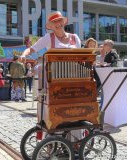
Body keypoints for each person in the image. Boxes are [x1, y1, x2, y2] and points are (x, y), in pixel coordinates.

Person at [21, 11, 82, 141]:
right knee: (56, 111)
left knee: (74, 110)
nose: (58, 24)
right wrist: (23, 55)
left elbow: (80, 57)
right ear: (51, 26)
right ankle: (53, 141)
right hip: (55, 80)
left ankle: (75, 141)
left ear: (63, 22)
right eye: (54, 22)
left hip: (73, 80)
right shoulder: (48, 38)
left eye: (59, 21)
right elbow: (31, 49)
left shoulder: (74, 37)